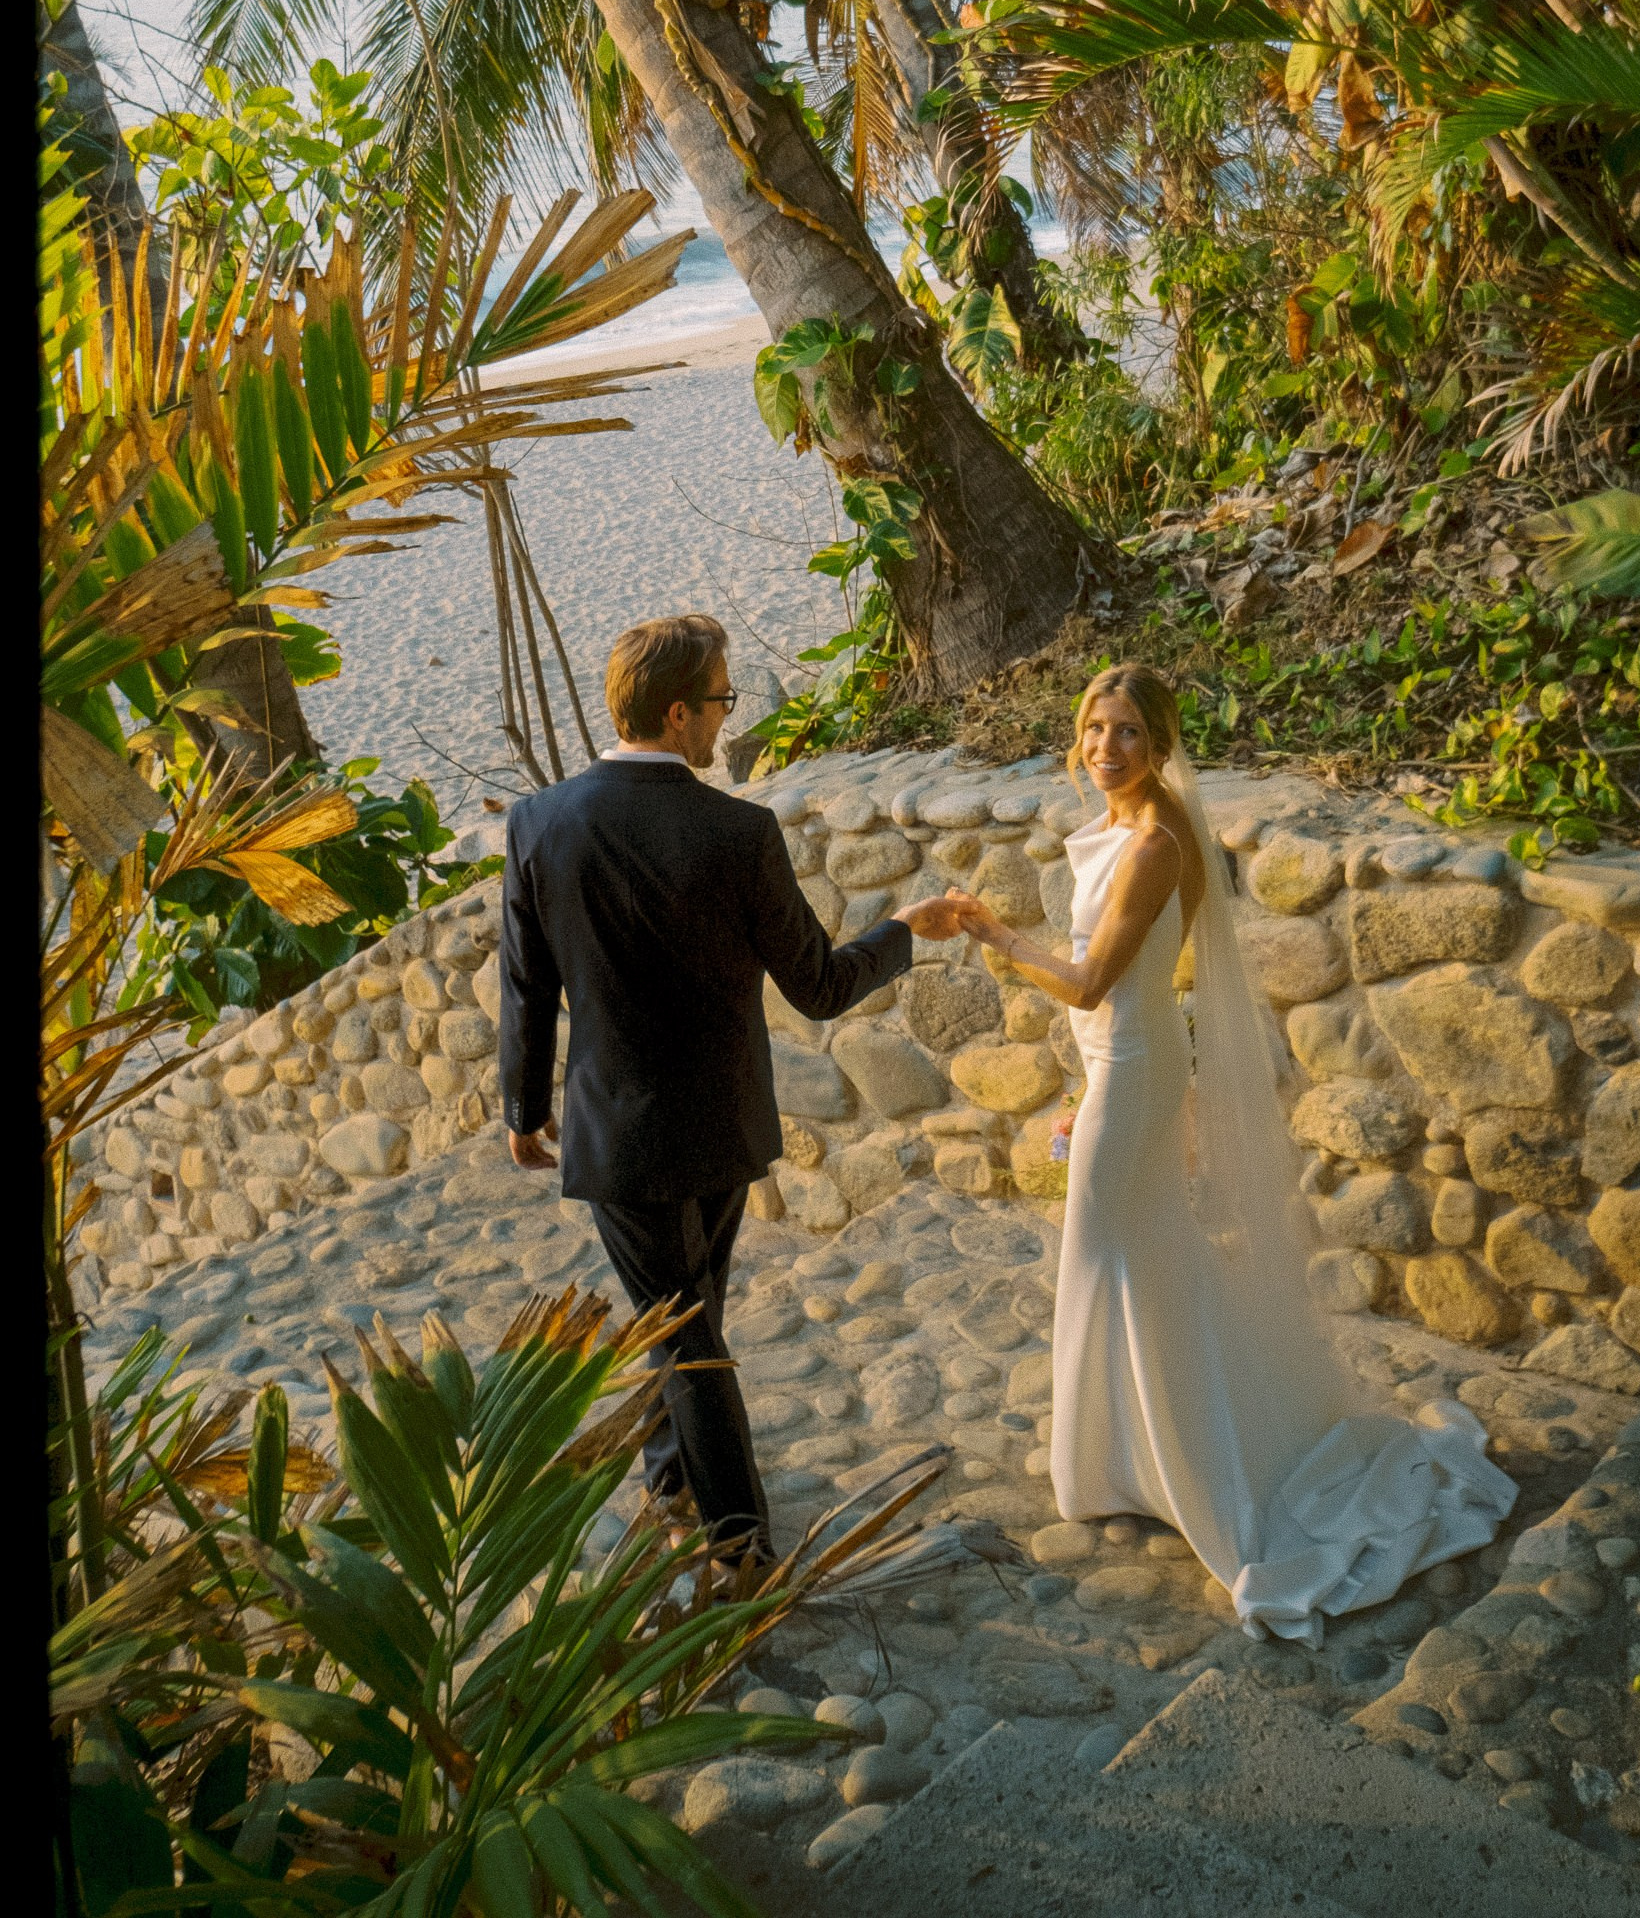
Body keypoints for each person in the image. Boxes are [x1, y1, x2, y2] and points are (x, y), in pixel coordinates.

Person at [949, 662, 1516, 1640]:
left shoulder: (1156, 844)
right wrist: (1085, 1085)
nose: (1103, 748)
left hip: (1132, 1068)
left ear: (1160, 743)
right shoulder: (1129, 826)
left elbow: (1087, 983)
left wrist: (992, 930)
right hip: (1119, 1067)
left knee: (1106, 1255)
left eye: (1126, 732)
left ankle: (1189, 1475)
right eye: (1092, 729)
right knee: (1142, 1261)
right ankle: (1132, 1460)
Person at [498, 612, 963, 1563]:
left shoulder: (539, 822)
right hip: (724, 1124)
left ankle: (675, 1477)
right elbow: (822, 986)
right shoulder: (739, 832)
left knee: (682, 1318)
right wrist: (904, 928)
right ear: (677, 713)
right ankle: (740, 1543)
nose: (725, 720)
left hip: (618, 1134)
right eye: (721, 701)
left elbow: (527, 982)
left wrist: (525, 1108)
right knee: (690, 1329)